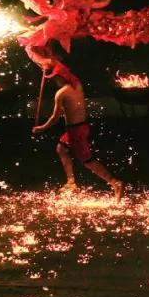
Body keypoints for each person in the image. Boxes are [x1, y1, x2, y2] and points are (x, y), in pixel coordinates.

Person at [32, 61, 124, 200]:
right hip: (81, 127)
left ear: (62, 77)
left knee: (88, 161)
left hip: (75, 131)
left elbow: (55, 118)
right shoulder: (77, 85)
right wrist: (44, 65)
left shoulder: (61, 93)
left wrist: (41, 128)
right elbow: (55, 63)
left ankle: (115, 182)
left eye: (55, 78)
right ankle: (71, 182)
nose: (55, 80)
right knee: (61, 149)